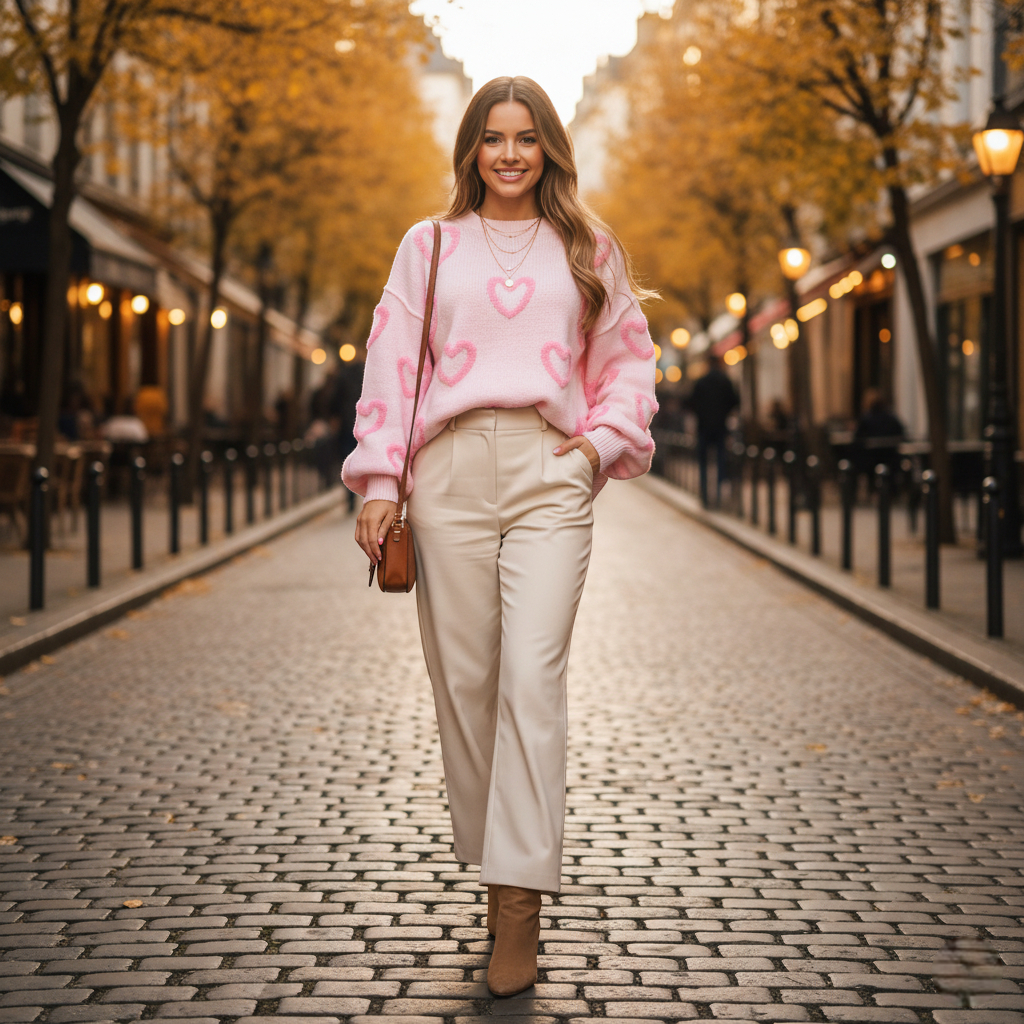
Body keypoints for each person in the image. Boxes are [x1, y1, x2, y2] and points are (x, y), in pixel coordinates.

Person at [342, 77, 658, 997]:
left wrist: (594, 448)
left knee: (530, 677)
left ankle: (516, 906)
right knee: (467, 687)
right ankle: (497, 861)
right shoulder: (428, 245)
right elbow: (392, 367)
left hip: (549, 474)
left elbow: (630, 362)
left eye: (526, 138)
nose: (511, 154)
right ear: (471, 149)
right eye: (494, 138)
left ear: (549, 147)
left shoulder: (588, 245)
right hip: (445, 478)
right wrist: (379, 480)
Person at [685, 354, 738, 508]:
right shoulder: (725, 381)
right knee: (721, 459)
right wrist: (724, 412)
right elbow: (735, 401)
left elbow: (690, 403)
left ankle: (705, 494)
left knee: (703, 461)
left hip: (703, 427)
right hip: (721, 426)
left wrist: (701, 413)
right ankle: (720, 491)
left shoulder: (701, 382)